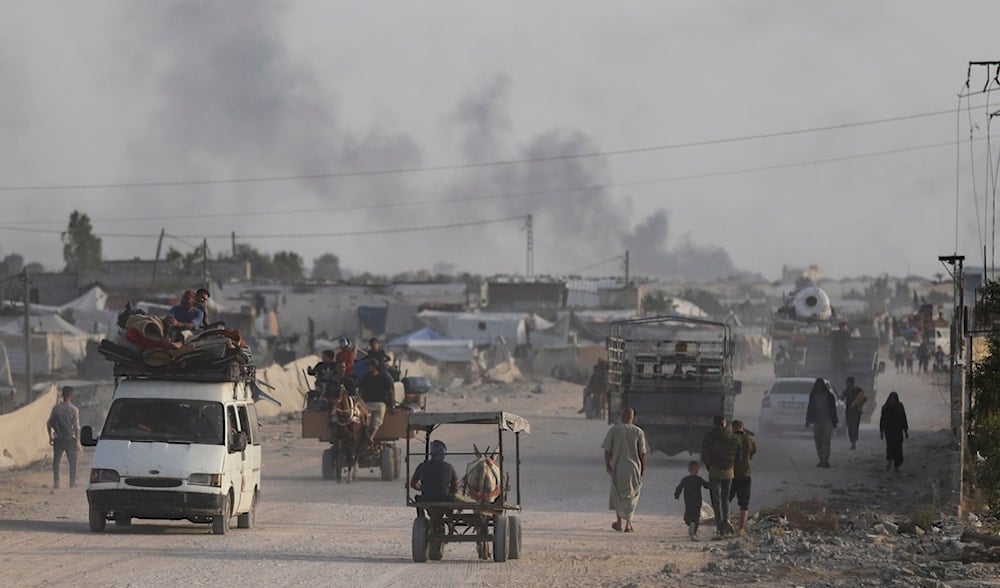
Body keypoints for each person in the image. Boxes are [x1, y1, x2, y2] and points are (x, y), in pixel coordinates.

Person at [602, 407, 648, 533]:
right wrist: (643, 469)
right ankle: (628, 523)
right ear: (632, 417)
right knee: (632, 495)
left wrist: (607, 465)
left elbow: (607, 450)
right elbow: (643, 453)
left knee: (618, 494)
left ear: (622, 416)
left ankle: (619, 522)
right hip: (633, 468)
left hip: (618, 467)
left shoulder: (614, 430)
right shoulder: (638, 431)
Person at [701, 415, 738, 538]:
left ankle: (719, 527)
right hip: (729, 472)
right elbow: (737, 452)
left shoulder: (709, 436)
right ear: (724, 423)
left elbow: (705, 453)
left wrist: (709, 466)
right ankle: (726, 519)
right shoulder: (732, 436)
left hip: (714, 471)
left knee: (715, 500)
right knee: (725, 499)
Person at [46, 386, 81, 489]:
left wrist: (50, 437)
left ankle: (56, 482)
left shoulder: (56, 408)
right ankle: (72, 483)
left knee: (56, 461)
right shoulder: (74, 409)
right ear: (71, 396)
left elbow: (49, 423)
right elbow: (77, 426)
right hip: (70, 439)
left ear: (62, 395)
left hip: (58, 438)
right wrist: (78, 441)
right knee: (72, 462)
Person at [728, 419, 756, 535]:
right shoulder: (749, 440)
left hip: (731, 475)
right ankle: (741, 529)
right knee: (744, 504)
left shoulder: (730, 439)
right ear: (742, 428)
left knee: (725, 500)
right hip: (745, 475)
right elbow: (752, 455)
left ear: (733, 428)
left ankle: (725, 523)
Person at [805, 378, 838, 468]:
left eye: (820, 385)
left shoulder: (829, 396)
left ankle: (825, 461)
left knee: (826, 441)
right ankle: (821, 460)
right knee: (818, 442)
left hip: (828, 422)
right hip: (817, 422)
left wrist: (834, 421)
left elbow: (833, 410)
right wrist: (808, 420)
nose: (819, 387)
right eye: (818, 385)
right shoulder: (813, 395)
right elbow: (810, 408)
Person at [357, 360, 393, 442]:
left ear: (374, 366)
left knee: (376, 422)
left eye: (369, 366)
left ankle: (370, 438)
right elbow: (361, 391)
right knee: (365, 422)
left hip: (380, 403)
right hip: (367, 404)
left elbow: (391, 391)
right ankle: (364, 437)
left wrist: (392, 405)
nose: (368, 368)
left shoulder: (384, 377)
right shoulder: (365, 377)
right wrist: (359, 400)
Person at [674, 460, 709, 541]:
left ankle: (690, 523)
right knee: (696, 517)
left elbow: (679, 488)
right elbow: (706, 485)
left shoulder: (685, 479)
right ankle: (694, 533)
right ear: (697, 470)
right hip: (697, 501)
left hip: (688, 501)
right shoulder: (699, 479)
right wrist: (714, 484)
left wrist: (677, 495)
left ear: (689, 470)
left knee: (687, 516)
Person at [880, 391, 909, 471]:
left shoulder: (900, 407)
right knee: (890, 446)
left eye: (894, 399)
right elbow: (882, 420)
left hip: (898, 430)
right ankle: (889, 461)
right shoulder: (885, 408)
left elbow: (904, 418)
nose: (892, 400)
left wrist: (905, 431)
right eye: (891, 399)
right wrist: (881, 431)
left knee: (898, 448)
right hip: (889, 431)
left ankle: (896, 465)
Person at [841, 376, 867, 450]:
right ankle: (853, 442)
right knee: (853, 427)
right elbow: (864, 399)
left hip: (851, 412)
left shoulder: (847, 390)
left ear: (848, 383)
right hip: (856, 412)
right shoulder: (858, 390)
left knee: (851, 427)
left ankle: (853, 442)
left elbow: (842, 398)